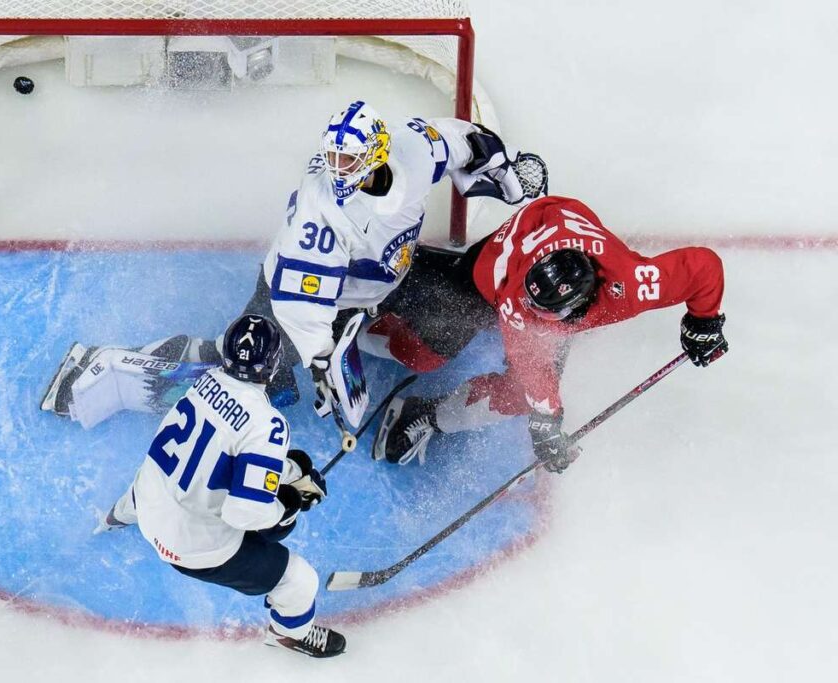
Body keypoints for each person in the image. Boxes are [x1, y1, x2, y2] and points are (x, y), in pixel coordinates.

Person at [40, 100, 546, 428]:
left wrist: (505, 176)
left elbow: (462, 141)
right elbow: (301, 304)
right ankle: (111, 371)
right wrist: (323, 361)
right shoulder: (319, 215)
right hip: (290, 292)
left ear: (378, 153)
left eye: (348, 161)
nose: (337, 170)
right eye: (333, 158)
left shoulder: (411, 149)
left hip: (380, 279)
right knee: (241, 375)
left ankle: (353, 333)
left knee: (450, 323)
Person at [371, 195, 728, 471]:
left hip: (560, 233)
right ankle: (383, 286)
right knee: (420, 352)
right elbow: (532, 367)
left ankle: (426, 413)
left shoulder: (630, 286)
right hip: (503, 258)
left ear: (581, 302)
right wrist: (547, 419)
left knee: (519, 396)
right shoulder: (518, 304)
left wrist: (704, 322)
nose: (531, 314)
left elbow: (704, 268)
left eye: (547, 313)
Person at [94, 315, 344, 658]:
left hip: (146, 505)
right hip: (195, 550)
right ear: (273, 365)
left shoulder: (203, 382)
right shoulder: (269, 425)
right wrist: (290, 503)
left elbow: (216, 449)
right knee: (299, 579)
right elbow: (245, 514)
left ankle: (115, 517)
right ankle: (289, 634)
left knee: (159, 478)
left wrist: (287, 470)